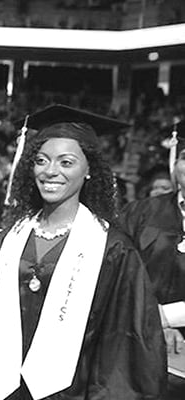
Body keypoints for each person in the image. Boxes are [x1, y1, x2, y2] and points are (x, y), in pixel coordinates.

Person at [0, 104, 165, 400]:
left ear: (89, 171)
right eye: (41, 160)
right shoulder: (11, 238)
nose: (50, 171)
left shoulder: (112, 248)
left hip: (71, 390)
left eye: (66, 163)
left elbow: (125, 337)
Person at [117, 121, 185, 396]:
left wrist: (167, 318)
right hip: (135, 343)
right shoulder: (141, 213)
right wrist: (152, 320)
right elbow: (116, 272)